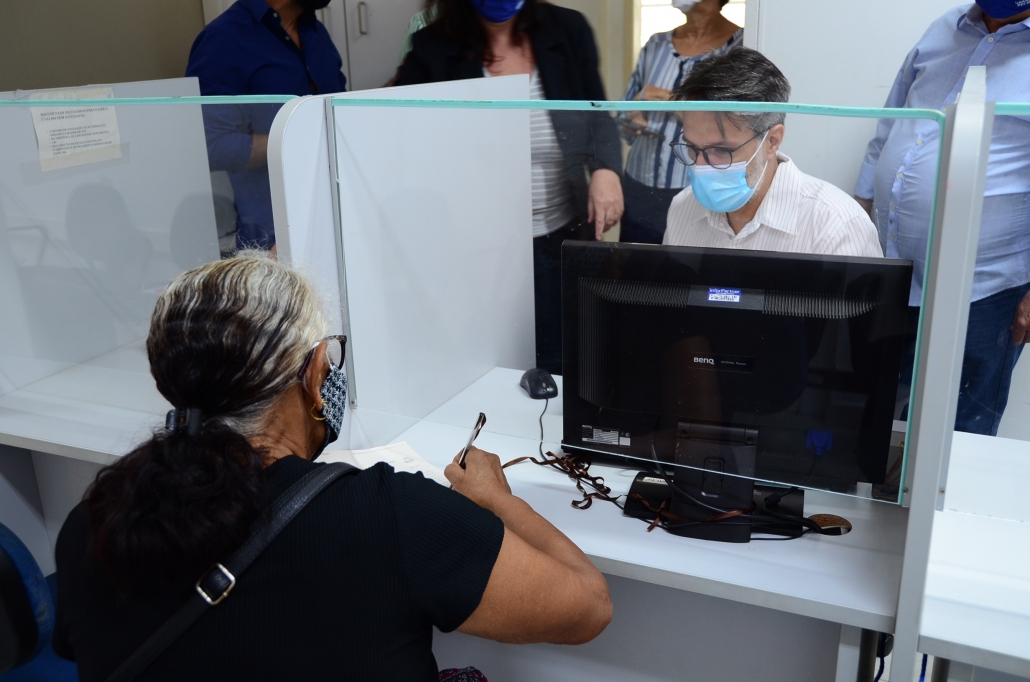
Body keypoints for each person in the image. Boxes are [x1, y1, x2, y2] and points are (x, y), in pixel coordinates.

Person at [52, 254, 612, 681]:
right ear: (317, 373)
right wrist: (496, 500)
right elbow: (587, 606)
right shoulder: (389, 515)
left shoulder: (91, 524)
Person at [395, 0, 624, 376]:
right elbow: (401, 135)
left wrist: (606, 169)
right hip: (480, 245)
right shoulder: (432, 46)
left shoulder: (567, 29)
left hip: (562, 232)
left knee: (564, 355)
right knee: (492, 362)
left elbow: (598, 113)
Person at [853, 1, 1030, 436]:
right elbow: (891, 123)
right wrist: (855, 216)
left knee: (960, 433)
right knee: (874, 419)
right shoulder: (945, 28)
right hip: (893, 269)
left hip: (986, 290)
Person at [663, 48, 882, 258]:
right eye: (692, 148)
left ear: (772, 141)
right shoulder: (683, 209)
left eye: (721, 150)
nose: (700, 167)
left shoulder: (836, 226)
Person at [186, 0, 348, 250]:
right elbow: (213, 145)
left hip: (337, 217)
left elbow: (341, 115)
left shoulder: (315, 32)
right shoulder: (223, 39)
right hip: (270, 237)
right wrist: (300, 141)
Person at [620, 0, 742, 244]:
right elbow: (624, 118)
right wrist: (631, 117)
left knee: (684, 264)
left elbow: (730, 123)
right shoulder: (656, 44)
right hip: (638, 186)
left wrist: (660, 95)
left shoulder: (741, 47)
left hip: (698, 190)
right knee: (635, 265)